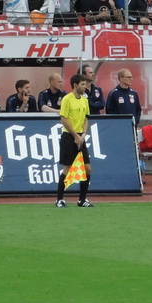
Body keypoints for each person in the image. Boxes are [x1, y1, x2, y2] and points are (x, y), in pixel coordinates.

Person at [56, 74, 93, 208]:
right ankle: (59, 199)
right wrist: (75, 136)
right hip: (69, 136)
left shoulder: (84, 100)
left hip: (80, 137)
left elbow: (86, 118)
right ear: (75, 85)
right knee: (68, 167)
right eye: (82, 84)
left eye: (85, 84)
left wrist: (83, 134)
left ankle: (82, 199)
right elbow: (64, 119)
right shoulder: (67, 99)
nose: (85, 86)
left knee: (87, 169)